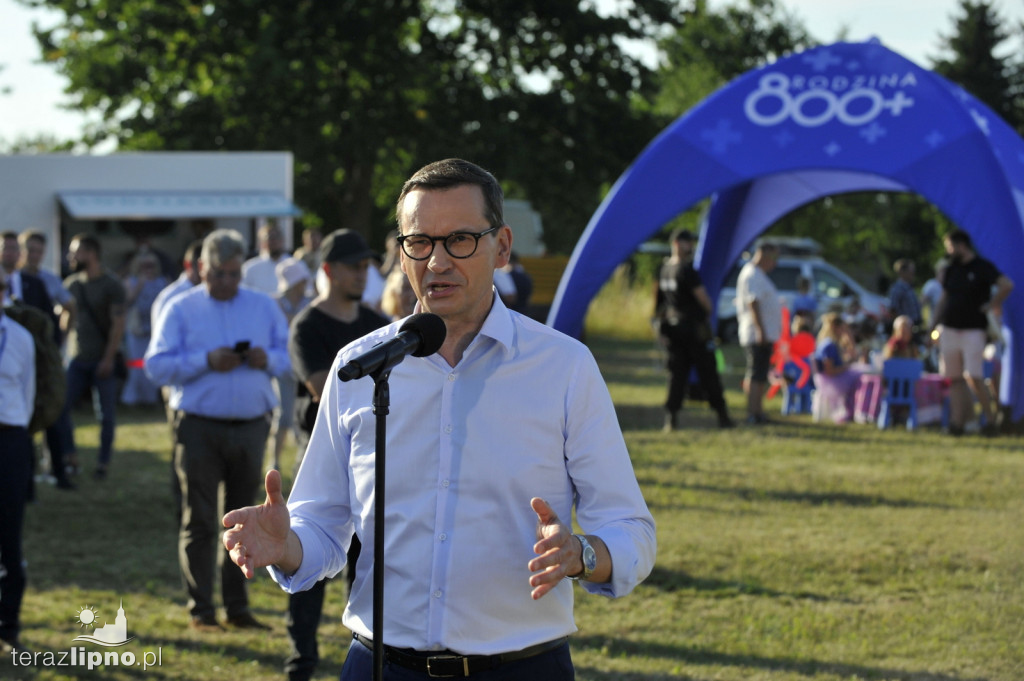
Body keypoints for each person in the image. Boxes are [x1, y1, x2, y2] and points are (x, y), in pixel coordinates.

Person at [222, 159, 656, 680]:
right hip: (380, 664)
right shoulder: (359, 367)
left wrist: (582, 553)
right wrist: (286, 546)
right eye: (420, 241)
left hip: (522, 666)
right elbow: (324, 526)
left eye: (461, 240)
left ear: (502, 247)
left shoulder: (563, 367)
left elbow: (631, 529)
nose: (438, 261)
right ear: (401, 253)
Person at [145, 229, 291, 632]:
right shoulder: (180, 308)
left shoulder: (263, 307)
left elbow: (287, 355)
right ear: (200, 268)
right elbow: (156, 365)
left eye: (232, 274)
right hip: (198, 426)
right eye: (217, 274)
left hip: (250, 426)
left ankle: (238, 608)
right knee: (202, 519)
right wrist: (205, 361)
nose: (226, 282)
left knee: (244, 520)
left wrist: (266, 359)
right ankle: (202, 609)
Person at [284, 228, 389, 681]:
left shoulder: (376, 322)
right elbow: (326, 389)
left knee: (365, 556)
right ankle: (301, 657)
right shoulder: (308, 325)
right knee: (309, 553)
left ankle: (365, 645)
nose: (363, 274)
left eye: (367, 266)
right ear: (328, 270)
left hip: (374, 455)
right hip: (323, 454)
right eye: (353, 267)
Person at [936, 229, 1014, 436]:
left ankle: (989, 421)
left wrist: (992, 304)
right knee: (954, 378)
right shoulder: (952, 269)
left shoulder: (981, 267)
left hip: (973, 330)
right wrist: (933, 324)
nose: (949, 252)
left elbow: (1006, 284)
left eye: (951, 247)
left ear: (961, 245)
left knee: (974, 376)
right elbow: (944, 297)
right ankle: (957, 423)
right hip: (950, 328)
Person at [61, 233, 127, 480]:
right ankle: (69, 456)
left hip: (102, 360)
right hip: (77, 360)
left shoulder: (111, 285)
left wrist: (108, 359)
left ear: (91, 253)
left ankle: (102, 464)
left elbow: (118, 325)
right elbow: (66, 321)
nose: (70, 256)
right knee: (60, 408)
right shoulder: (71, 285)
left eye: (75, 251)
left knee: (106, 416)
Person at [654, 229, 733, 431]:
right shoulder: (686, 270)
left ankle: (671, 419)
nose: (691, 247)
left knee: (676, 375)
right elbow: (704, 301)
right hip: (693, 331)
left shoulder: (663, 269)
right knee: (708, 373)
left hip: (673, 330)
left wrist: (661, 330)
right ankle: (723, 416)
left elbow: (659, 305)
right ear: (677, 244)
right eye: (687, 243)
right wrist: (706, 310)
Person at [0, 269, 36, 655]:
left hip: (10, 437)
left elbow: (28, 393)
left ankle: (8, 625)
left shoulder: (21, 338)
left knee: (9, 533)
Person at [269, 256, 314, 472]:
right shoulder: (274, 303)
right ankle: (274, 461)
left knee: (301, 417)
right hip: (284, 366)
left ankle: (301, 460)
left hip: (304, 365)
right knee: (284, 416)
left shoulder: (310, 301)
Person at [736, 241, 781, 424]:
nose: (775, 262)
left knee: (761, 374)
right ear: (762, 254)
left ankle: (758, 411)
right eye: (773, 257)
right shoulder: (752, 274)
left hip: (764, 333)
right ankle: (752, 413)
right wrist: (760, 330)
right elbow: (753, 303)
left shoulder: (758, 274)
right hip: (756, 334)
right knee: (755, 374)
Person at [120, 252, 168, 405]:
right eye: (143, 266)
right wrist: (139, 285)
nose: (147, 269)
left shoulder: (163, 282)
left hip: (154, 330)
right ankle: (132, 398)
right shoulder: (131, 281)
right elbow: (126, 302)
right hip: (136, 330)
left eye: (150, 266)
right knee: (136, 365)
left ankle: (150, 398)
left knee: (150, 363)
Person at [812, 312, 862, 424]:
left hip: (831, 378)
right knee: (860, 377)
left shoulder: (832, 343)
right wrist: (846, 367)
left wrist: (849, 338)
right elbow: (829, 371)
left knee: (859, 372)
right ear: (836, 328)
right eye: (843, 328)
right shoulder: (829, 345)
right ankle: (854, 411)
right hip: (830, 381)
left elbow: (852, 354)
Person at [242, 221, 288, 294]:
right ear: (261, 242)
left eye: (276, 237)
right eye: (269, 238)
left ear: (282, 240)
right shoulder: (250, 267)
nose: (273, 241)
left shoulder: (294, 265)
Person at [887, 259, 923, 331]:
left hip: (915, 325)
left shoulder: (909, 287)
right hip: (906, 328)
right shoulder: (897, 288)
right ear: (902, 272)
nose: (913, 274)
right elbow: (893, 310)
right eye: (910, 271)